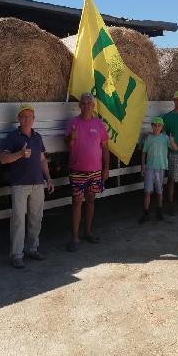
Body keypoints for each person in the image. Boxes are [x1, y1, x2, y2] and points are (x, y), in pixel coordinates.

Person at [0, 104, 54, 269]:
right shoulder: (12, 136)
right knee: (18, 221)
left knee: (36, 219)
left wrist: (49, 179)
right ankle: (16, 255)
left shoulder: (37, 137)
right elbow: (3, 159)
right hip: (20, 185)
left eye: (29, 116)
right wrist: (20, 154)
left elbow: (42, 159)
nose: (26, 119)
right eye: (23, 116)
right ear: (18, 119)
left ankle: (32, 249)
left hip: (37, 183)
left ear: (33, 119)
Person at [64, 92, 109, 252]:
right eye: (83, 103)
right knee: (76, 202)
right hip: (77, 170)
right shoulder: (73, 123)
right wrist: (71, 138)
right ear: (80, 106)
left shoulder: (99, 124)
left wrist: (106, 168)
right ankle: (74, 238)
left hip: (95, 171)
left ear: (93, 106)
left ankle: (88, 232)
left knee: (90, 201)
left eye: (89, 104)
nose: (86, 106)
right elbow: (66, 143)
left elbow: (105, 148)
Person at [140, 116, 178, 223]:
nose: (157, 128)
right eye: (155, 126)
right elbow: (144, 152)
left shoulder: (165, 138)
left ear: (162, 127)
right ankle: (146, 212)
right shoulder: (148, 138)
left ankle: (159, 211)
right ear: (152, 126)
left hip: (160, 168)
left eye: (159, 126)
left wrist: (172, 140)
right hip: (150, 168)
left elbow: (175, 148)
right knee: (147, 191)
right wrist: (143, 165)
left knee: (159, 190)